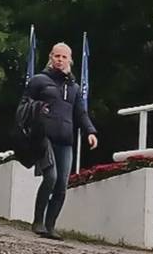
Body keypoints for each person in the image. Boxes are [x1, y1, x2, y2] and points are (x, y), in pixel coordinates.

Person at [25, 43, 98, 240]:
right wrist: (34, 114)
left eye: (64, 57)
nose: (60, 59)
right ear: (50, 57)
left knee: (62, 186)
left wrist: (90, 131)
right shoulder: (39, 80)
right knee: (51, 177)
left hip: (66, 140)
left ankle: (50, 226)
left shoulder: (74, 88)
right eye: (56, 56)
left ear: (70, 60)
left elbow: (81, 113)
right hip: (44, 137)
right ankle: (38, 221)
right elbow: (24, 104)